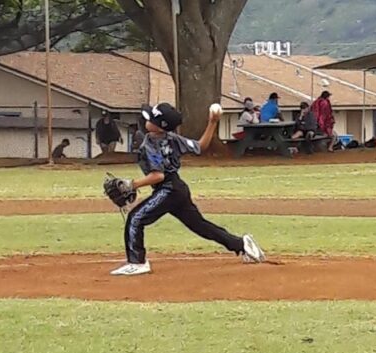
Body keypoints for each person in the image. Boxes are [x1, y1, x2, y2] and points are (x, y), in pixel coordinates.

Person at [108, 103, 266, 276]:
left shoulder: (151, 143)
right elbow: (200, 146)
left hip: (167, 189)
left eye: (151, 119)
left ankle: (137, 262)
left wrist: (132, 184)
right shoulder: (173, 137)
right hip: (178, 189)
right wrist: (212, 122)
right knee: (200, 226)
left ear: (160, 126)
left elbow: (158, 176)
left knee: (135, 219)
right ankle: (241, 244)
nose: (146, 121)